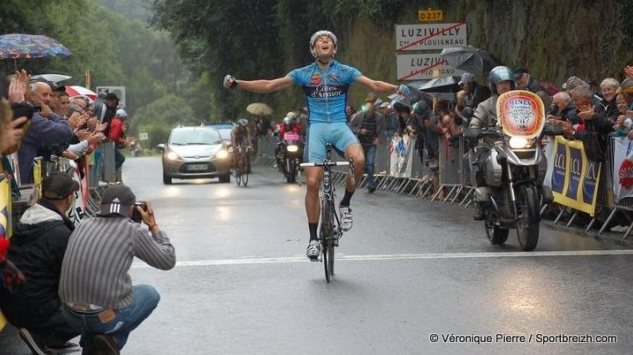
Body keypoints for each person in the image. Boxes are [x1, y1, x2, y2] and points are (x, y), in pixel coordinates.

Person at [223, 30, 410, 259]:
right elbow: (270, 85)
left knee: (359, 160)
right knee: (313, 182)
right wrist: (237, 83)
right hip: (318, 129)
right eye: (320, 40)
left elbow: (373, 83)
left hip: (340, 126)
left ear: (334, 48)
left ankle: (345, 203)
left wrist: (395, 88)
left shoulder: (344, 71)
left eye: (329, 40)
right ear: (314, 49)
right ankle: (313, 240)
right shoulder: (304, 74)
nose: (325, 41)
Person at [59, 184, 176, 354]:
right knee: (150, 294)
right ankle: (112, 341)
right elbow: (167, 260)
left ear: (100, 205)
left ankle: (90, 345)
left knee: (99, 295)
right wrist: (153, 226)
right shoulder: (132, 231)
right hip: (102, 318)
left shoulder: (82, 225)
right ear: (130, 210)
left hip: (70, 315)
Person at [0, 172, 82, 355]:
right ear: (69, 198)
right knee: (97, 309)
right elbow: (75, 280)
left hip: (11, 305)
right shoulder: (60, 233)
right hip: (36, 312)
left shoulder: (29, 218)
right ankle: (46, 338)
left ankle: (54, 339)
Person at [466, 66, 517, 220]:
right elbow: (476, 120)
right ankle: (481, 202)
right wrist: (475, 128)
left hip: (515, 145)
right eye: (500, 83)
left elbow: (536, 115)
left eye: (507, 83)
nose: (504, 86)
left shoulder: (520, 101)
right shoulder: (486, 105)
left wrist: (545, 124)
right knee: (483, 162)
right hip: (492, 145)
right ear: (494, 85)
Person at [349, 96, 385, 193]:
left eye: (370, 112)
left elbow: (382, 129)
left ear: (373, 111)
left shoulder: (379, 117)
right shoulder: (358, 116)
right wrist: (360, 131)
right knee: (359, 163)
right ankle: (355, 181)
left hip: (371, 143)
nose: (369, 114)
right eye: (367, 112)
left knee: (370, 163)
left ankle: (370, 184)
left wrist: (379, 139)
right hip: (360, 143)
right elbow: (350, 127)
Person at [109, 108, 134, 182]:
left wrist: (124, 142)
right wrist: (123, 141)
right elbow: (114, 137)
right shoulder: (118, 123)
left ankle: (114, 175)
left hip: (110, 145)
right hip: (110, 145)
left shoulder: (113, 120)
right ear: (122, 117)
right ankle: (111, 172)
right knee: (121, 158)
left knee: (117, 159)